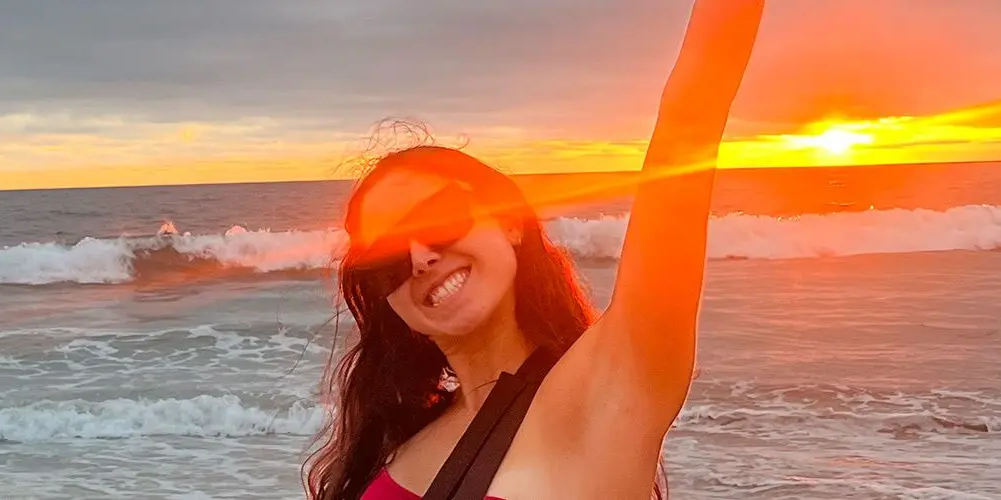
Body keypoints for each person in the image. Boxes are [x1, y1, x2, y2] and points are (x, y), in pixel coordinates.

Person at [302, 1, 763, 498]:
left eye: (436, 219)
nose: (419, 257)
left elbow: (692, 112)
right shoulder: (400, 439)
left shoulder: (608, 392)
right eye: (386, 256)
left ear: (509, 223)